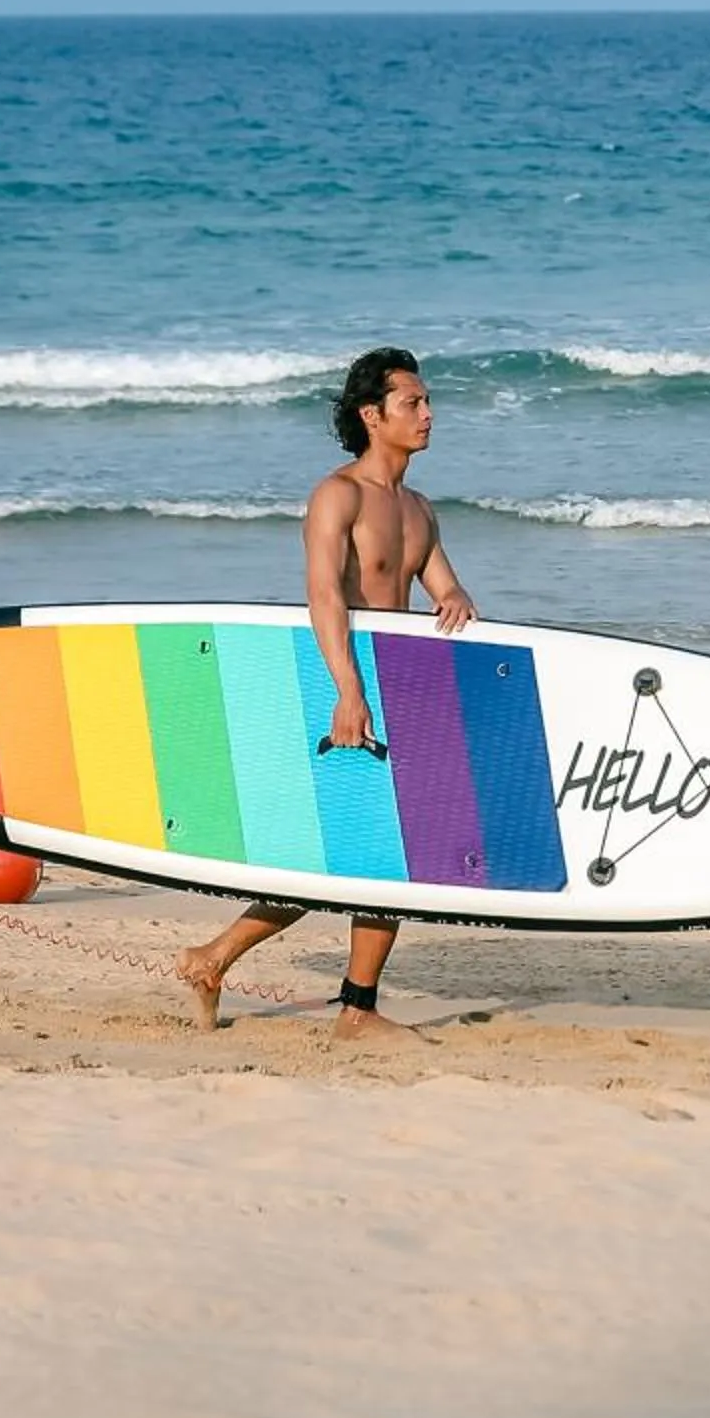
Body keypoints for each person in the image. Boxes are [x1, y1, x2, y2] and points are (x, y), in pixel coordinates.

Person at [177, 347, 477, 1035]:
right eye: (414, 403)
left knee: (379, 853)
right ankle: (340, 1005)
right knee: (354, 854)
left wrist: (456, 595)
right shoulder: (337, 495)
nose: (429, 414)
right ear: (373, 415)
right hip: (342, 680)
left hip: (395, 682)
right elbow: (322, 596)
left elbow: (439, 583)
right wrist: (347, 692)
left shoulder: (419, 508)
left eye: (428, 402)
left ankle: (223, 962)